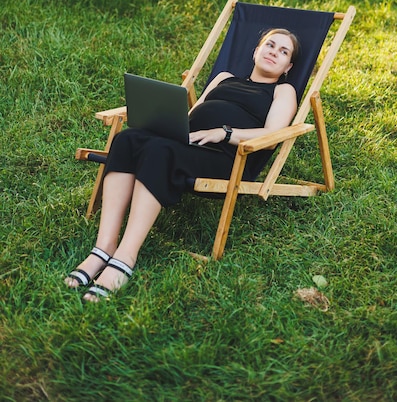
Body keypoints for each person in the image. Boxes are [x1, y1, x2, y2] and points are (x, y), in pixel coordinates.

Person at [65, 28, 300, 301]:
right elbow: (192, 113)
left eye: (284, 51)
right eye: (270, 45)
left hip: (226, 158)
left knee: (159, 152)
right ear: (255, 51)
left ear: (288, 67)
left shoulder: (283, 91)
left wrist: (224, 133)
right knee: (127, 139)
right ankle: (103, 248)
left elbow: (272, 135)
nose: (274, 52)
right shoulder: (224, 78)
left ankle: (125, 257)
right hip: (186, 142)